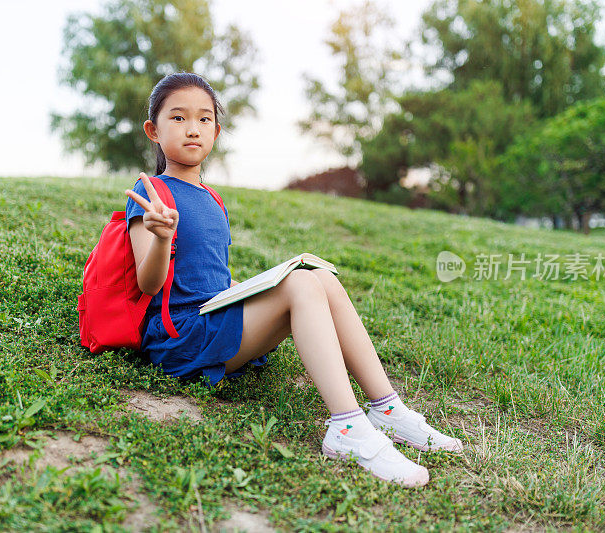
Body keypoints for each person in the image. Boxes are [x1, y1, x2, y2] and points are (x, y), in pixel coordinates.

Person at [124, 72, 463, 487]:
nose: (192, 128)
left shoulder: (213, 199)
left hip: (216, 319)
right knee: (301, 284)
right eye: (177, 118)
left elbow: (208, 278)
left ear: (216, 129)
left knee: (318, 274)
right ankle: (347, 427)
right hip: (183, 339)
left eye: (204, 119)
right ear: (153, 130)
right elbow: (149, 284)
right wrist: (160, 238)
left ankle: (387, 411)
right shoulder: (152, 195)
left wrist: (246, 291)